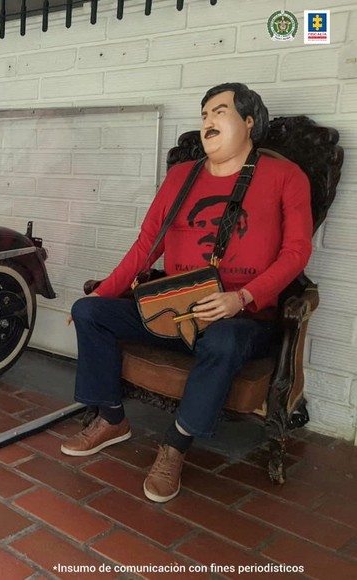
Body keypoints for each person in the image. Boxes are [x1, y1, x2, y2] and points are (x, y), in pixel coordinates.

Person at [62, 83, 313, 503]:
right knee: (89, 311)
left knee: (224, 337)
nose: (208, 121)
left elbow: (297, 253)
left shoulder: (286, 177)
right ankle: (111, 418)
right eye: (204, 115)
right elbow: (147, 246)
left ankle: (175, 446)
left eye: (219, 112)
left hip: (242, 318)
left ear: (249, 122)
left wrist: (242, 297)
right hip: (175, 311)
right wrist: (103, 294)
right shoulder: (182, 176)